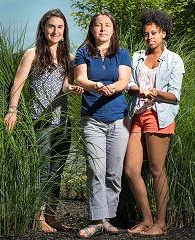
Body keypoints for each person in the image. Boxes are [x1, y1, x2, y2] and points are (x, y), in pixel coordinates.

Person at [4, 9, 83, 233]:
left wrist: (72, 88)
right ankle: (38, 218)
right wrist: (12, 110)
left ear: (64, 30)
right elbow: (18, 83)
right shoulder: (32, 53)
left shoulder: (68, 58)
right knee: (42, 169)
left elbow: (65, 85)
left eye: (60, 27)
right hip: (41, 120)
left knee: (58, 169)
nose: (55, 31)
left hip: (63, 122)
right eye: (51, 26)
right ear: (43, 28)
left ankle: (51, 216)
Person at [125, 10, 185, 236]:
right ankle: (147, 219)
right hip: (137, 115)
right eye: (146, 33)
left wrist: (155, 93)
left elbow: (175, 95)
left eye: (154, 33)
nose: (149, 37)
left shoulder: (173, 59)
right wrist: (136, 88)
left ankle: (161, 223)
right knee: (131, 170)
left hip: (160, 116)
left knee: (156, 170)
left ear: (163, 33)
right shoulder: (137, 56)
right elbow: (130, 82)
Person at [74, 11, 131, 238]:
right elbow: (80, 79)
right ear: (92, 29)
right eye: (98, 25)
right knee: (95, 170)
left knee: (113, 173)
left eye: (107, 25)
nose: (103, 29)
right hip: (92, 120)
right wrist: (96, 86)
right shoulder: (82, 52)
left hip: (118, 119)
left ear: (112, 29)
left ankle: (106, 220)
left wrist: (112, 88)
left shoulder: (122, 53)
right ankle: (97, 220)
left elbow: (124, 80)